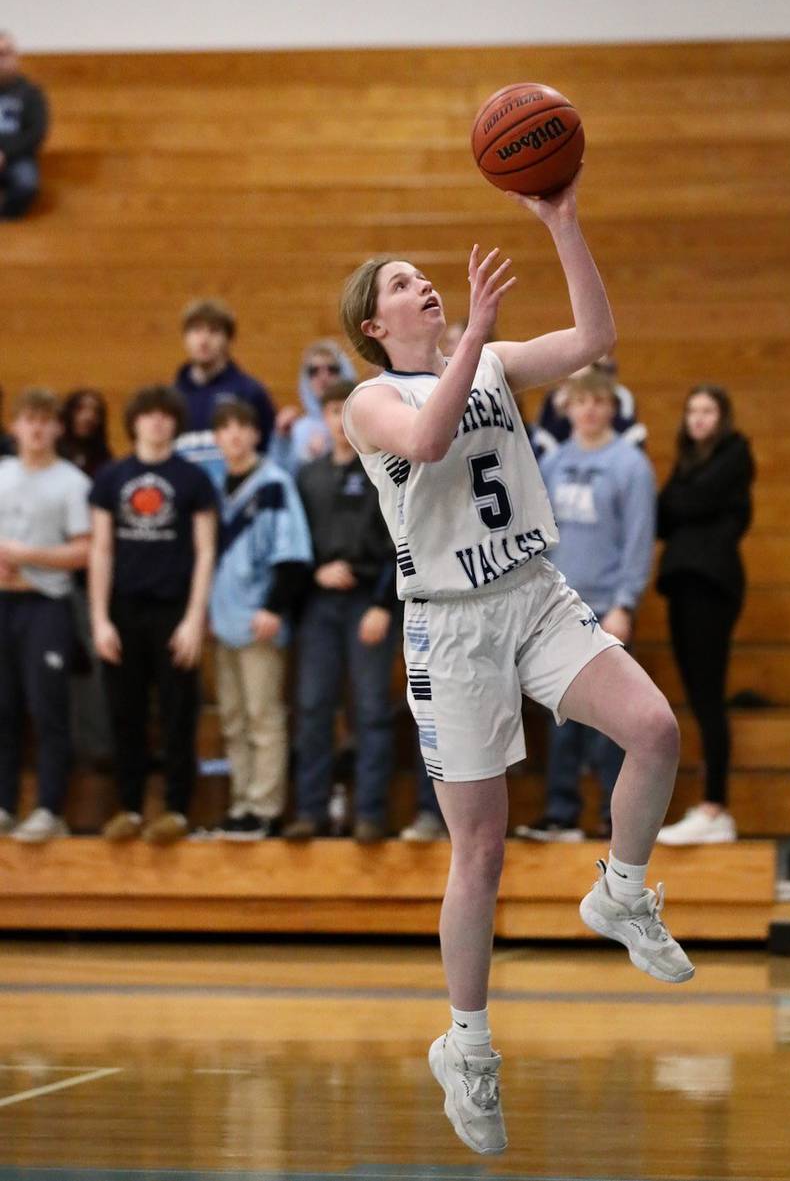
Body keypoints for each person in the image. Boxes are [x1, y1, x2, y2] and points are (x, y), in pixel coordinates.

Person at [339, 173, 692, 1156]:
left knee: (654, 730)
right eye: (406, 285)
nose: (428, 291)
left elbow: (592, 341)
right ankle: (467, 1044)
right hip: (449, 629)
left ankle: (620, 890)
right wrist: (476, 338)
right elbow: (427, 434)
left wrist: (562, 222)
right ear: (374, 320)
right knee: (481, 850)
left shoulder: (488, 356)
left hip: (533, 594)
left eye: (427, 281)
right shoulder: (367, 401)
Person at [515, 367, 656, 842]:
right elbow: (540, 538)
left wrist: (626, 604)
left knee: (614, 721)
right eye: (582, 401)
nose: (591, 409)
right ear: (567, 407)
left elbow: (638, 541)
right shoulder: (553, 466)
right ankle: (561, 812)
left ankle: (616, 818)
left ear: (612, 408)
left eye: (599, 401)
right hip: (559, 609)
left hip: (607, 609)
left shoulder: (630, 466)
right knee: (562, 716)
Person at [89, 385, 217, 844]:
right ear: (135, 422)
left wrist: (193, 618)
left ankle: (177, 811)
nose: (157, 422)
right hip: (123, 610)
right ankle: (129, 808)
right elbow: (101, 550)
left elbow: (205, 552)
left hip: (173, 610)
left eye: (165, 416)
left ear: (175, 423)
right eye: (149, 415)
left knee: (178, 713)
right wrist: (100, 619)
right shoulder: (111, 478)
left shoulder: (193, 480)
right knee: (126, 715)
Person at [283, 378, 399, 845]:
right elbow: (290, 543)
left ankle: (370, 813)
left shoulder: (384, 471)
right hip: (317, 605)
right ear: (323, 417)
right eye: (331, 411)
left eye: (345, 411)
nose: (338, 420)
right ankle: (310, 811)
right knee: (312, 708)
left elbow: (400, 545)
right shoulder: (306, 475)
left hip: (368, 603)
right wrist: (313, 574)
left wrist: (381, 604)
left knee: (371, 708)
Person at [655, 385, 754, 846]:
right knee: (698, 697)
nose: (697, 419)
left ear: (722, 415)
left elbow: (686, 504)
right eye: (691, 410)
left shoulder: (736, 453)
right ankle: (710, 804)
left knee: (709, 697)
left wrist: (684, 502)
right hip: (683, 585)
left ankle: (716, 805)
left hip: (712, 586)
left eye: (707, 410)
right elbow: (664, 514)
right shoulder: (688, 463)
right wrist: (683, 501)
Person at [209, 400, 312, 839]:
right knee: (232, 718)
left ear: (256, 434)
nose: (233, 435)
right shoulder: (213, 486)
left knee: (262, 716)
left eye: (242, 427)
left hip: (258, 619)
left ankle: (265, 807)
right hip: (222, 621)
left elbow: (293, 556)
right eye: (225, 428)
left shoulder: (274, 484)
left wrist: (273, 607)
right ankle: (241, 803)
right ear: (215, 438)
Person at [0, 388, 90, 842]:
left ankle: (48, 809)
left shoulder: (71, 482)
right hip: (3, 603)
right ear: (14, 426)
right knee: (3, 708)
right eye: (27, 419)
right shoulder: (1, 474)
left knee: (46, 707)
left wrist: (26, 554)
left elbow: (84, 551)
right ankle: (3, 803)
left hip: (45, 604)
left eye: (43, 419)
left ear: (57, 427)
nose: (35, 429)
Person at [58, 388, 114, 768]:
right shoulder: (50, 460)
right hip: (34, 579)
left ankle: (94, 749)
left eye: (95, 410)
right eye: (80, 408)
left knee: (89, 668)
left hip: (83, 579)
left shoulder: (104, 464)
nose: (87, 416)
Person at [173, 298, 276, 479]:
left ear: (228, 339)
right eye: (196, 330)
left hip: (236, 495)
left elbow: (267, 451)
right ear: (185, 338)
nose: (204, 340)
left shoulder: (250, 391)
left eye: (213, 331)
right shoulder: (172, 396)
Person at [530, 353, 646, 459]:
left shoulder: (620, 396)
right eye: (581, 401)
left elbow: (630, 432)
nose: (589, 407)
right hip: (564, 456)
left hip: (609, 453)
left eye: (598, 400)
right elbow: (544, 436)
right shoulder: (556, 397)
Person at [270, 338, 357, 477]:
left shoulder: (362, 420)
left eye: (332, 369)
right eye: (314, 371)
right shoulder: (298, 429)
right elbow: (281, 478)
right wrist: (283, 441)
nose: (323, 377)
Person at [0, 32, 48, 220]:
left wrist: (5, 153)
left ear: (15, 57)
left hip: (17, 158)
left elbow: (36, 132)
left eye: (5, 53)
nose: (1, 60)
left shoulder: (30, 93)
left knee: (26, 182)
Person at [58, 388, 113, 479]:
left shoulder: (104, 459)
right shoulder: (53, 452)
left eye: (96, 412)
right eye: (80, 409)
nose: (88, 417)